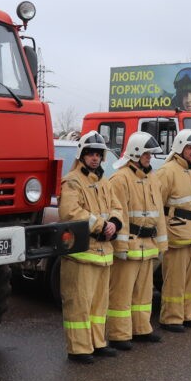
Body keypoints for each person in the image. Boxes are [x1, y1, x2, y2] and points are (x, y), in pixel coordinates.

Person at [58, 131, 125, 363]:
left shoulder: (104, 182)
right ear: (82, 155)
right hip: (82, 254)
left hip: (103, 253)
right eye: (90, 154)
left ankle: (97, 343)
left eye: (98, 154)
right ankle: (79, 349)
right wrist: (101, 225)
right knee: (80, 304)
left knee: (98, 304)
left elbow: (117, 207)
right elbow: (71, 212)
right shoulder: (72, 181)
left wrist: (115, 224)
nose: (95, 158)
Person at [106, 132, 168, 349]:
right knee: (122, 292)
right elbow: (119, 215)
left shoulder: (152, 178)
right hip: (129, 244)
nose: (150, 157)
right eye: (146, 153)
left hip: (147, 246)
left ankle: (141, 329)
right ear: (135, 153)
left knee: (143, 291)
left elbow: (158, 212)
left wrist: (162, 243)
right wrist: (120, 247)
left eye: (151, 153)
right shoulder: (120, 179)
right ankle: (119, 334)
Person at [155, 129, 191, 332]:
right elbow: (157, 205)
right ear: (179, 147)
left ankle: (188, 315)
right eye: (190, 147)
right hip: (177, 234)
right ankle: (171, 318)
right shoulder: (167, 171)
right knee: (175, 280)